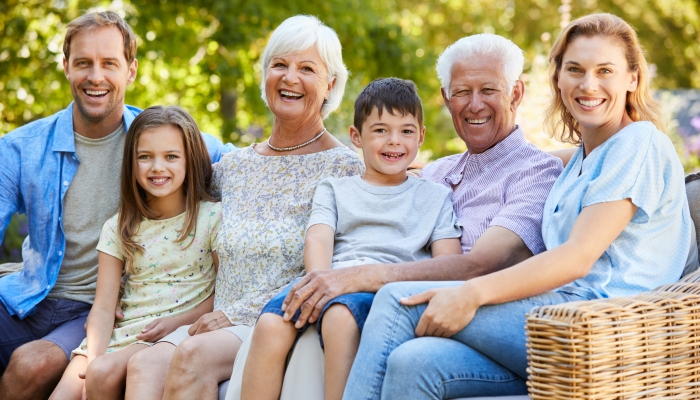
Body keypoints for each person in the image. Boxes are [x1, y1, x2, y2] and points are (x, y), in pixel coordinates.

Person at [343, 13, 695, 399]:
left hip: (601, 329)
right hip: (556, 325)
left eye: (605, 70)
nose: (588, 84)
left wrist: (473, 293)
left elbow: (577, 258)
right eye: (574, 69)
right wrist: (436, 169)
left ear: (632, 78)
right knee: (415, 363)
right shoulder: (584, 160)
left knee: (397, 300)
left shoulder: (638, 143)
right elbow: (545, 160)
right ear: (558, 79)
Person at [124, 15, 364, 400]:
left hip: (279, 320)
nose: (289, 78)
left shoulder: (346, 168)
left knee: (193, 356)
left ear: (330, 85)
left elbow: (339, 265)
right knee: (142, 364)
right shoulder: (234, 167)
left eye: (307, 69)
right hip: (214, 319)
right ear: (264, 74)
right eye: (279, 65)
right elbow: (166, 175)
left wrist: (236, 314)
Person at [0, 11, 231, 399]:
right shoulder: (22, 148)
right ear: (66, 67)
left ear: (131, 70)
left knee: (31, 364)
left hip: (95, 308)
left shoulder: (156, 142)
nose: (96, 76)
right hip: (27, 295)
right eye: (83, 63)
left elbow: (254, 163)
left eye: (109, 63)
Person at [279, 34, 562, 335]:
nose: (475, 104)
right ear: (446, 98)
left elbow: (479, 265)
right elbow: (381, 175)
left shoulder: (536, 172)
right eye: (462, 91)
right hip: (408, 309)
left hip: (479, 316)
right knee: (285, 321)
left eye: (489, 90)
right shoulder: (435, 174)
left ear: (516, 94)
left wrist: (360, 276)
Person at [241, 78, 463, 400]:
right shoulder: (335, 188)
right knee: (270, 326)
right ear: (356, 136)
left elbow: (448, 263)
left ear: (421, 136)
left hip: (382, 290)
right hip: (329, 278)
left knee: (340, 318)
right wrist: (320, 280)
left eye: (406, 131)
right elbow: (318, 237)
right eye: (380, 130)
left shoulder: (435, 196)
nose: (394, 141)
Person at [48, 106, 221, 399]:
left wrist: (178, 322)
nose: (157, 167)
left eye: (171, 156)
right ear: (131, 162)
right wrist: (93, 357)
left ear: (190, 160)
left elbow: (226, 294)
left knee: (101, 375)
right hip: (119, 333)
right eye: (145, 157)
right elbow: (103, 307)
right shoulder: (119, 226)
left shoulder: (211, 219)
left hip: (163, 335)